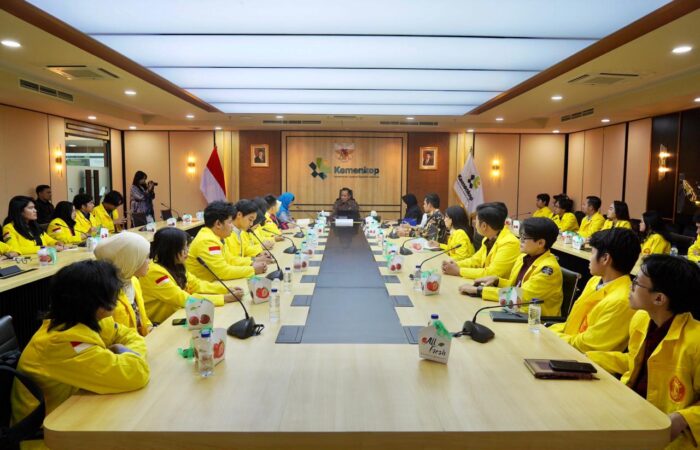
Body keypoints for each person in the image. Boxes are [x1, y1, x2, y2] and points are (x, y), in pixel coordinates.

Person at [11, 260, 149, 449]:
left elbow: (130, 336)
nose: (117, 298)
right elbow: (136, 373)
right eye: (112, 293)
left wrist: (124, 351)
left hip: (76, 416)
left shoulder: (86, 319)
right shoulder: (62, 342)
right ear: (94, 302)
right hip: (49, 438)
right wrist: (123, 351)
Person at [587, 255, 700, 448]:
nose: (630, 287)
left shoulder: (695, 341)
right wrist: (588, 358)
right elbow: (635, 362)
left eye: (636, 283)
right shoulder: (641, 319)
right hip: (631, 411)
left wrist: (683, 418)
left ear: (659, 298)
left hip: (669, 434)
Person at [549, 228, 641, 352]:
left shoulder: (621, 301)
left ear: (605, 258)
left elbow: (587, 345)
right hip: (566, 343)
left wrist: (552, 336)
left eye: (592, 252)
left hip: (580, 357)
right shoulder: (595, 280)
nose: (589, 258)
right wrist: (548, 331)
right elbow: (573, 323)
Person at [460, 217, 563, 317]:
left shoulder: (548, 270)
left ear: (540, 243)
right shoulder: (523, 257)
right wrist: (497, 281)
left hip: (537, 321)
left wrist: (478, 290)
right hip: (517, 311)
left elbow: (519, 294)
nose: (520, 240)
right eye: (520, 236)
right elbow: (516, 285)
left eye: (524, 238)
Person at [140, 228, 244, 324]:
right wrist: (224, 298)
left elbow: (197, 285)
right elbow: (184, 299)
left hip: (179, 313)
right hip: (162, 323)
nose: (187, 252)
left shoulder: (176, 264)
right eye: (183, 248)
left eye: (187, 247)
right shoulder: (154, 273)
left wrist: (226, 289)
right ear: (170, 250)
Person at [186, 201, 266, 281]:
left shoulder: (217, 237)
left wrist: (252, 262)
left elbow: (230, 260)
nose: (232, 226)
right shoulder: (207, 241)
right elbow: (223, 272)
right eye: (230, 222)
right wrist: (253, 270)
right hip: (204, 286)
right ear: (218, 224)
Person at [94, 232, 153, 336]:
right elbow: (111, 337)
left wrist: (149, 328)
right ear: (129, 261)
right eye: (145, 257)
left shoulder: (133, 281)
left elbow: (141, 316)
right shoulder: (106, 294)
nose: (149, 261)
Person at [442, 202, 520, 280]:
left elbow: (491, 273)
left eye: (476, 220)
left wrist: (459, 271)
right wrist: (455, 264)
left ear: (484, 226)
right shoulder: (488, 239)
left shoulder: (509, 243)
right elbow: (475, 260)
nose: (474, 223)